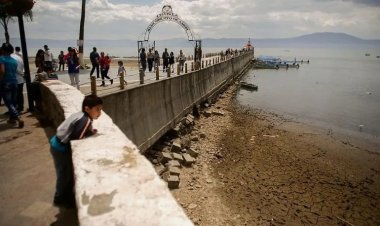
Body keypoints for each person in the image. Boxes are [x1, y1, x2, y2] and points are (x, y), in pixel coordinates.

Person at [50, 94, 103, 208]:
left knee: (65, 173)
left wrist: (89, 132)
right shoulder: (85, 120)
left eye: (100, 110)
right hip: (60, 148)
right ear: (87, 109)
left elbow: (78, 131)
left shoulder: (81, 115)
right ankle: (60, 197)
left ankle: (64, 195)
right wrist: (88, 134)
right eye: (97, 109)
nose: (100, 113)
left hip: (56, 142)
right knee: (64, 174)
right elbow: (77, 138)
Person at [0, 43, 24, 128]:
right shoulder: (13, 60)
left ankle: (18, 118)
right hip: (14, 82)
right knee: (14, 101)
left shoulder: (2, 59)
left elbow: (2, 71)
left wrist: (1, 79)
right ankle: (12, 119)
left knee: (8, 102)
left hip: (6, 82)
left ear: (3, 50)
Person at [11, 48, 25, 112]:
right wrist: (23, 75)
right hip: (20, 79)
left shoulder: (11, 58)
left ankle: (15, 109)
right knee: (20, 94)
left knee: (14, 96)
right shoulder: (19, 57)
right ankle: (20, 107)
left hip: (15, 79)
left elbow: (16, 68)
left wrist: (22, 74)